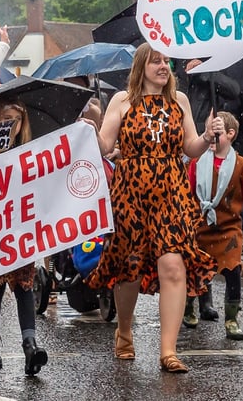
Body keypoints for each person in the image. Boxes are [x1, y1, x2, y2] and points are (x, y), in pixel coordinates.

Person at [82, 42, 219, 373]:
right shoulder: (122, 101)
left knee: (173, 266)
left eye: (167, 61)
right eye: (156, 61)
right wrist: (91, 127)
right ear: (141, 66)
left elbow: (190, 147)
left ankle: (168, 351)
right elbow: (105, 145)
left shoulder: (179, 102)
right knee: (128, 268)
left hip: (171, 191)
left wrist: (207, 135)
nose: (163, 66)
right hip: (131, 191)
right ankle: (125, 332)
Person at [0, 99, 48, 376]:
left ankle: (29, 344)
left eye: (16, 120)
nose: (11, 124)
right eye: (6, 118)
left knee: (24, 285)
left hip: (21, 225)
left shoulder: (29, 151)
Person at [186, 111, 243, 340]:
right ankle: (189, 307)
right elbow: (188, 196)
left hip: (229, 228)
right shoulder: (196, 163)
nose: (210, 138)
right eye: (208, 132)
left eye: (216, 133)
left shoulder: (242, 165)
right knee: (195, 270)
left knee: (233, 271)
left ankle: (232, 319)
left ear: (231, 134)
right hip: (200, 226)